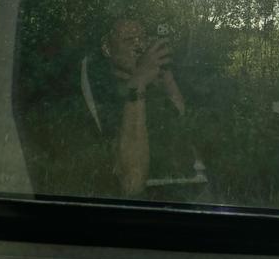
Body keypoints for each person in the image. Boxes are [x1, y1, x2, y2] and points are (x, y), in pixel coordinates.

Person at [83, 16, 209, 201]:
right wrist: (139, 81)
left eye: (143, 38)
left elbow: (180, 114)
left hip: (189, 190)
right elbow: (131, 184)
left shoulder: (151, 84)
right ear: (107, 48)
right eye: (128, 40)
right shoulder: (105, 91)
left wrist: (164, 70)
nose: (139, 46)